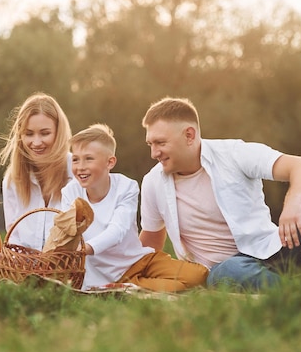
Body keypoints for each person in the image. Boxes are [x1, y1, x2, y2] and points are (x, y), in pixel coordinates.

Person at [138, 97, 301, 291]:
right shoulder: (153, 183)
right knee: (224, 272)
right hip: (232, 269)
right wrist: (121, 272)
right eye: (150, 144)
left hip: (278, 248)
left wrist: (293, 201)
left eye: (160, 143)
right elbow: (150, 241)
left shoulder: (234, 153)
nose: (153, 153)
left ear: (189, 135)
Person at [61, 123, 208, 292]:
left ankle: (131, 286)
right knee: (183, 288)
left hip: (138, 261)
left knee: (199, 275)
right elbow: (66, 231)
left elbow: (117, 230)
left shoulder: (126, 187)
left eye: (89, 158)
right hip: (104, 274)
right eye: (75, 159)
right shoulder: (70, 192)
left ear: (110, 162)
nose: (80, 166)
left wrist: (85, 249)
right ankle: (125, 286)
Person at [0, 92, 73, 250]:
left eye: (45, 133)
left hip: (73, 267)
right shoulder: (12, 180)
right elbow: (14, 236)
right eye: (29, 134)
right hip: (27, 269)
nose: (36, 142)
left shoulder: (78, 170)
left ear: (58, 133)